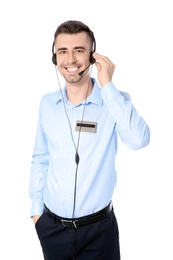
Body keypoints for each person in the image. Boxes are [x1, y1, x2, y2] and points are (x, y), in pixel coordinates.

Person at [29, 20, 150, 260]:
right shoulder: (47, 104)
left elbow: (139, 140)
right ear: (55, 58)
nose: (70, 59)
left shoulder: (113, 102)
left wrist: (108, 85)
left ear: (93, 57)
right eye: (63, 51)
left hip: (99, 232)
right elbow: (40, 159)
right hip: (52, 228)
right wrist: (37, 215)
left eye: (79, 50)